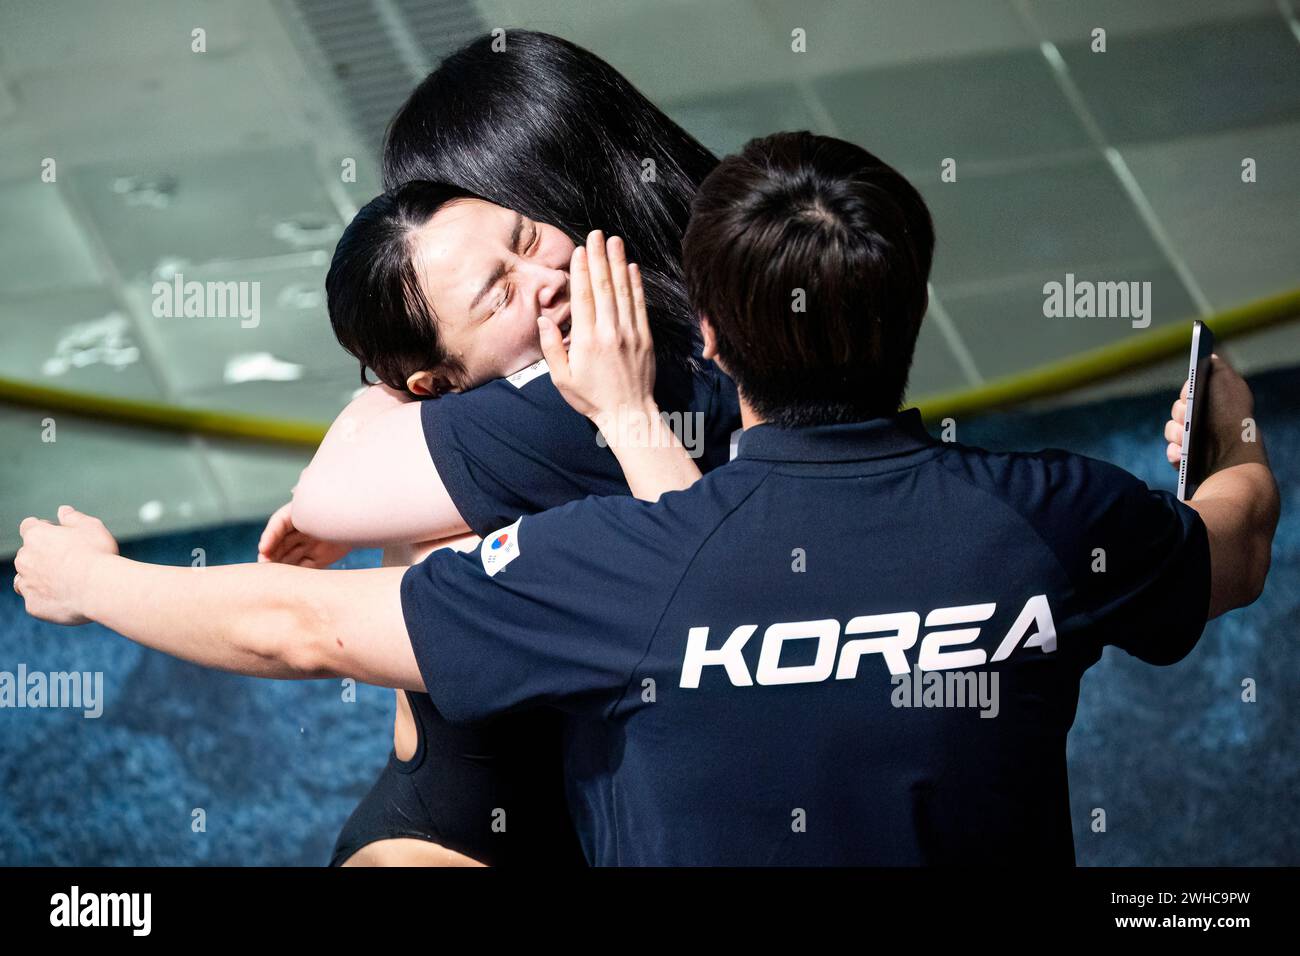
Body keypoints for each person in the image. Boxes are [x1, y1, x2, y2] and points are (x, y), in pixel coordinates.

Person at [15, 131, 1280, 864]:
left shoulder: (612, 564)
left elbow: (292, 626)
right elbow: (1236, 545)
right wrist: (1228, 428)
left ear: (711, 343)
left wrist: (83, 583)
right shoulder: (1060, 515)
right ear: (916, 308)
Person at [259, 29, 738, 866]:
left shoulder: (577, 393)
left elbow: (324, 502)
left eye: (517, 236)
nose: (539, 276)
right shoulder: (742, 277)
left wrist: (96, 581)